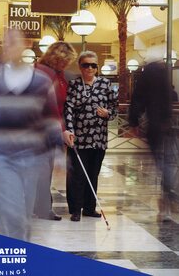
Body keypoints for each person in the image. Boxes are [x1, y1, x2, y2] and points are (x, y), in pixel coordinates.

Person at [0, 29, 63, 240]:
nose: (9, 47)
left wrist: (60, 155)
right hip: (1, 156)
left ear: (24, 45)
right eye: (6, 43)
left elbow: (50, 118)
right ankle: (17, 252)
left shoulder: (41, 81)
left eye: (14, 42)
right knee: (12, 212)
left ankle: (20, 250)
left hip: (32, 157)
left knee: (25, 214)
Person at [64, 51, 118, 221]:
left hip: (98, 139)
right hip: (78, 139)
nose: (90, 68)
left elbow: (115, 109)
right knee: (77, 175)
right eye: (86, 65)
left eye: (93, 65)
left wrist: (108, 114)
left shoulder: (105, 84)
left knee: (93, 174)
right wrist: (69, 130)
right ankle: (75, 209)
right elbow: (68, 109)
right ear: (80, 66)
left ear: (97, 67)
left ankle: (89, 207)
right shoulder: (74, 84)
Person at [34, 41, 77, 221]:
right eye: (65, 61)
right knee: (42, 169)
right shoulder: (42, 73)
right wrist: (62, 130)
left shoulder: (57, 74)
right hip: (39, 129)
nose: (67, 64)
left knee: (44, 169)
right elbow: (48, 106)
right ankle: (43, 208)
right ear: (56, 58)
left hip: (52, 128)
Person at [129, 61, 176, 221]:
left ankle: (166, 200)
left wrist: (134, 122)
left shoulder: (147, 77)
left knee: (162, 163)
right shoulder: (165, 81)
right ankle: (168, 198)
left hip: (155, 128)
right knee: (168, 163)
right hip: (169, 127)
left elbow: (138, 99)